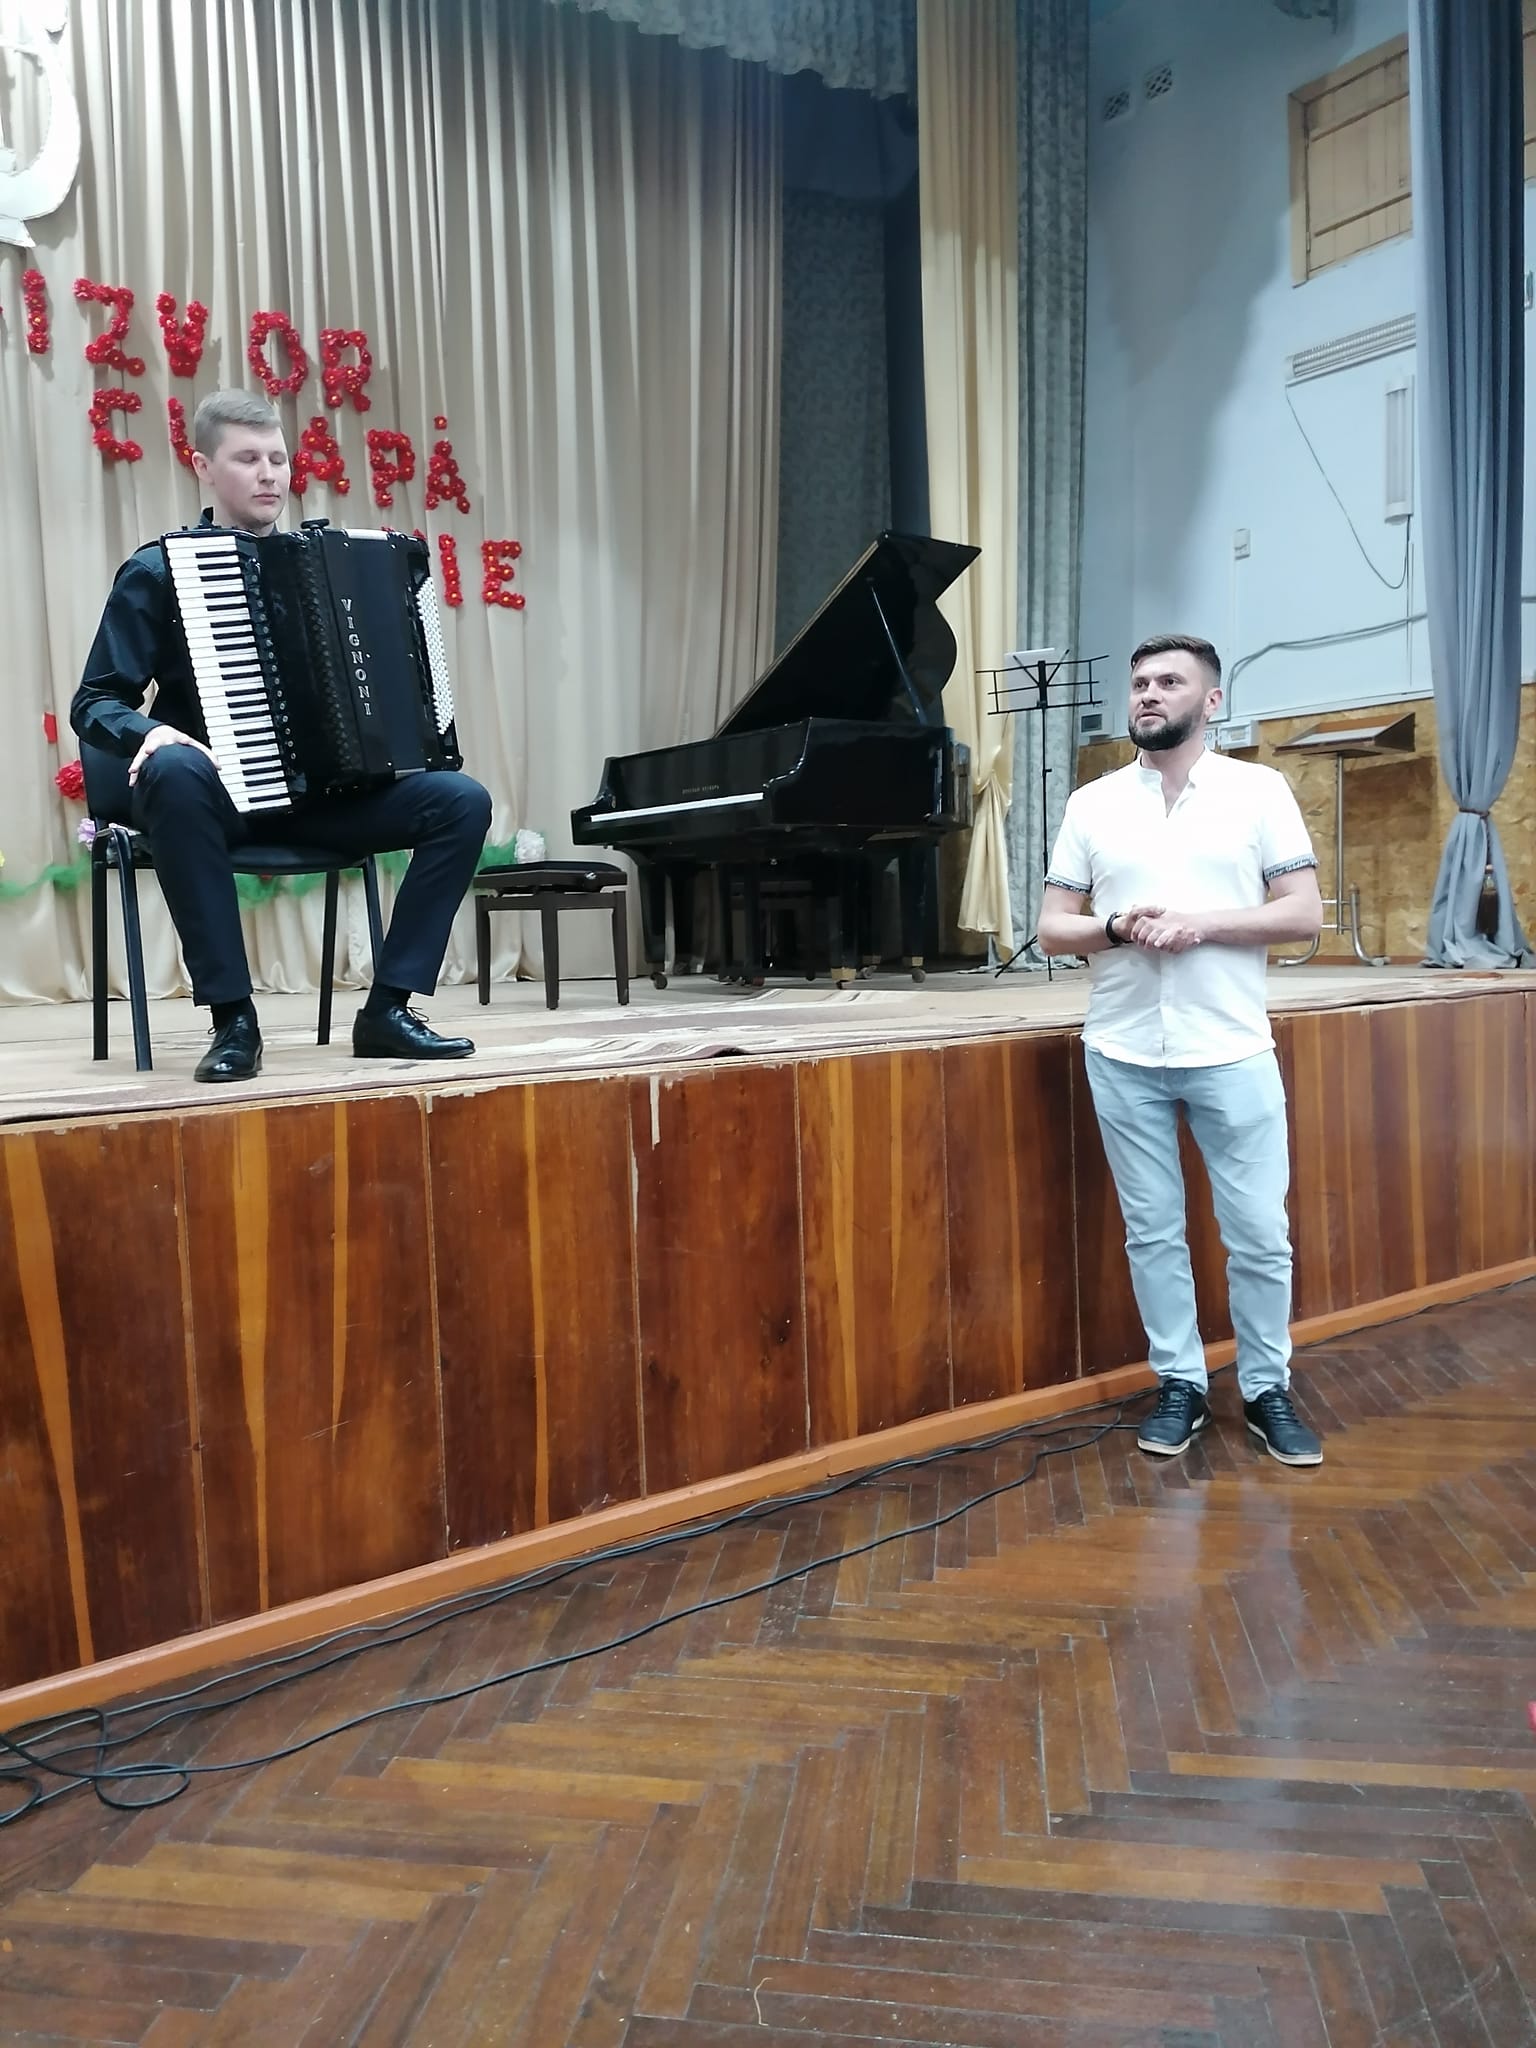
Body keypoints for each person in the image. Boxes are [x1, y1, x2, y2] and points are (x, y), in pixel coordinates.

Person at [71, 389, 491, 1082]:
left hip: (323, 802)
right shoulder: (159, 572)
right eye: (247, 459)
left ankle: (388, 1010)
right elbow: (96, 700)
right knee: (173, 771)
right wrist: (148, 732)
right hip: (216, 804)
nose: (269, 474)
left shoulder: (337, 564)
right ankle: (234, 1020)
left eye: (277, 458)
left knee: (461, 800)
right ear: (204, 467)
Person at [1038, 633, 1325, 1467]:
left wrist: (1202, 925)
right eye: (1140, 682)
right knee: (1153, 1232)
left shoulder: (1258, 790)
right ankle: (1181, 1383)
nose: (1149, 694)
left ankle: (1267, 1388)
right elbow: (1053, 929)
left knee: (1259, 1233)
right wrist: (1116, 925)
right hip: (1122, 1048)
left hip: (1230, 1046)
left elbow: (1302, 912)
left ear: (1212, 701)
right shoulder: (1092, 803)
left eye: (1170, 681)